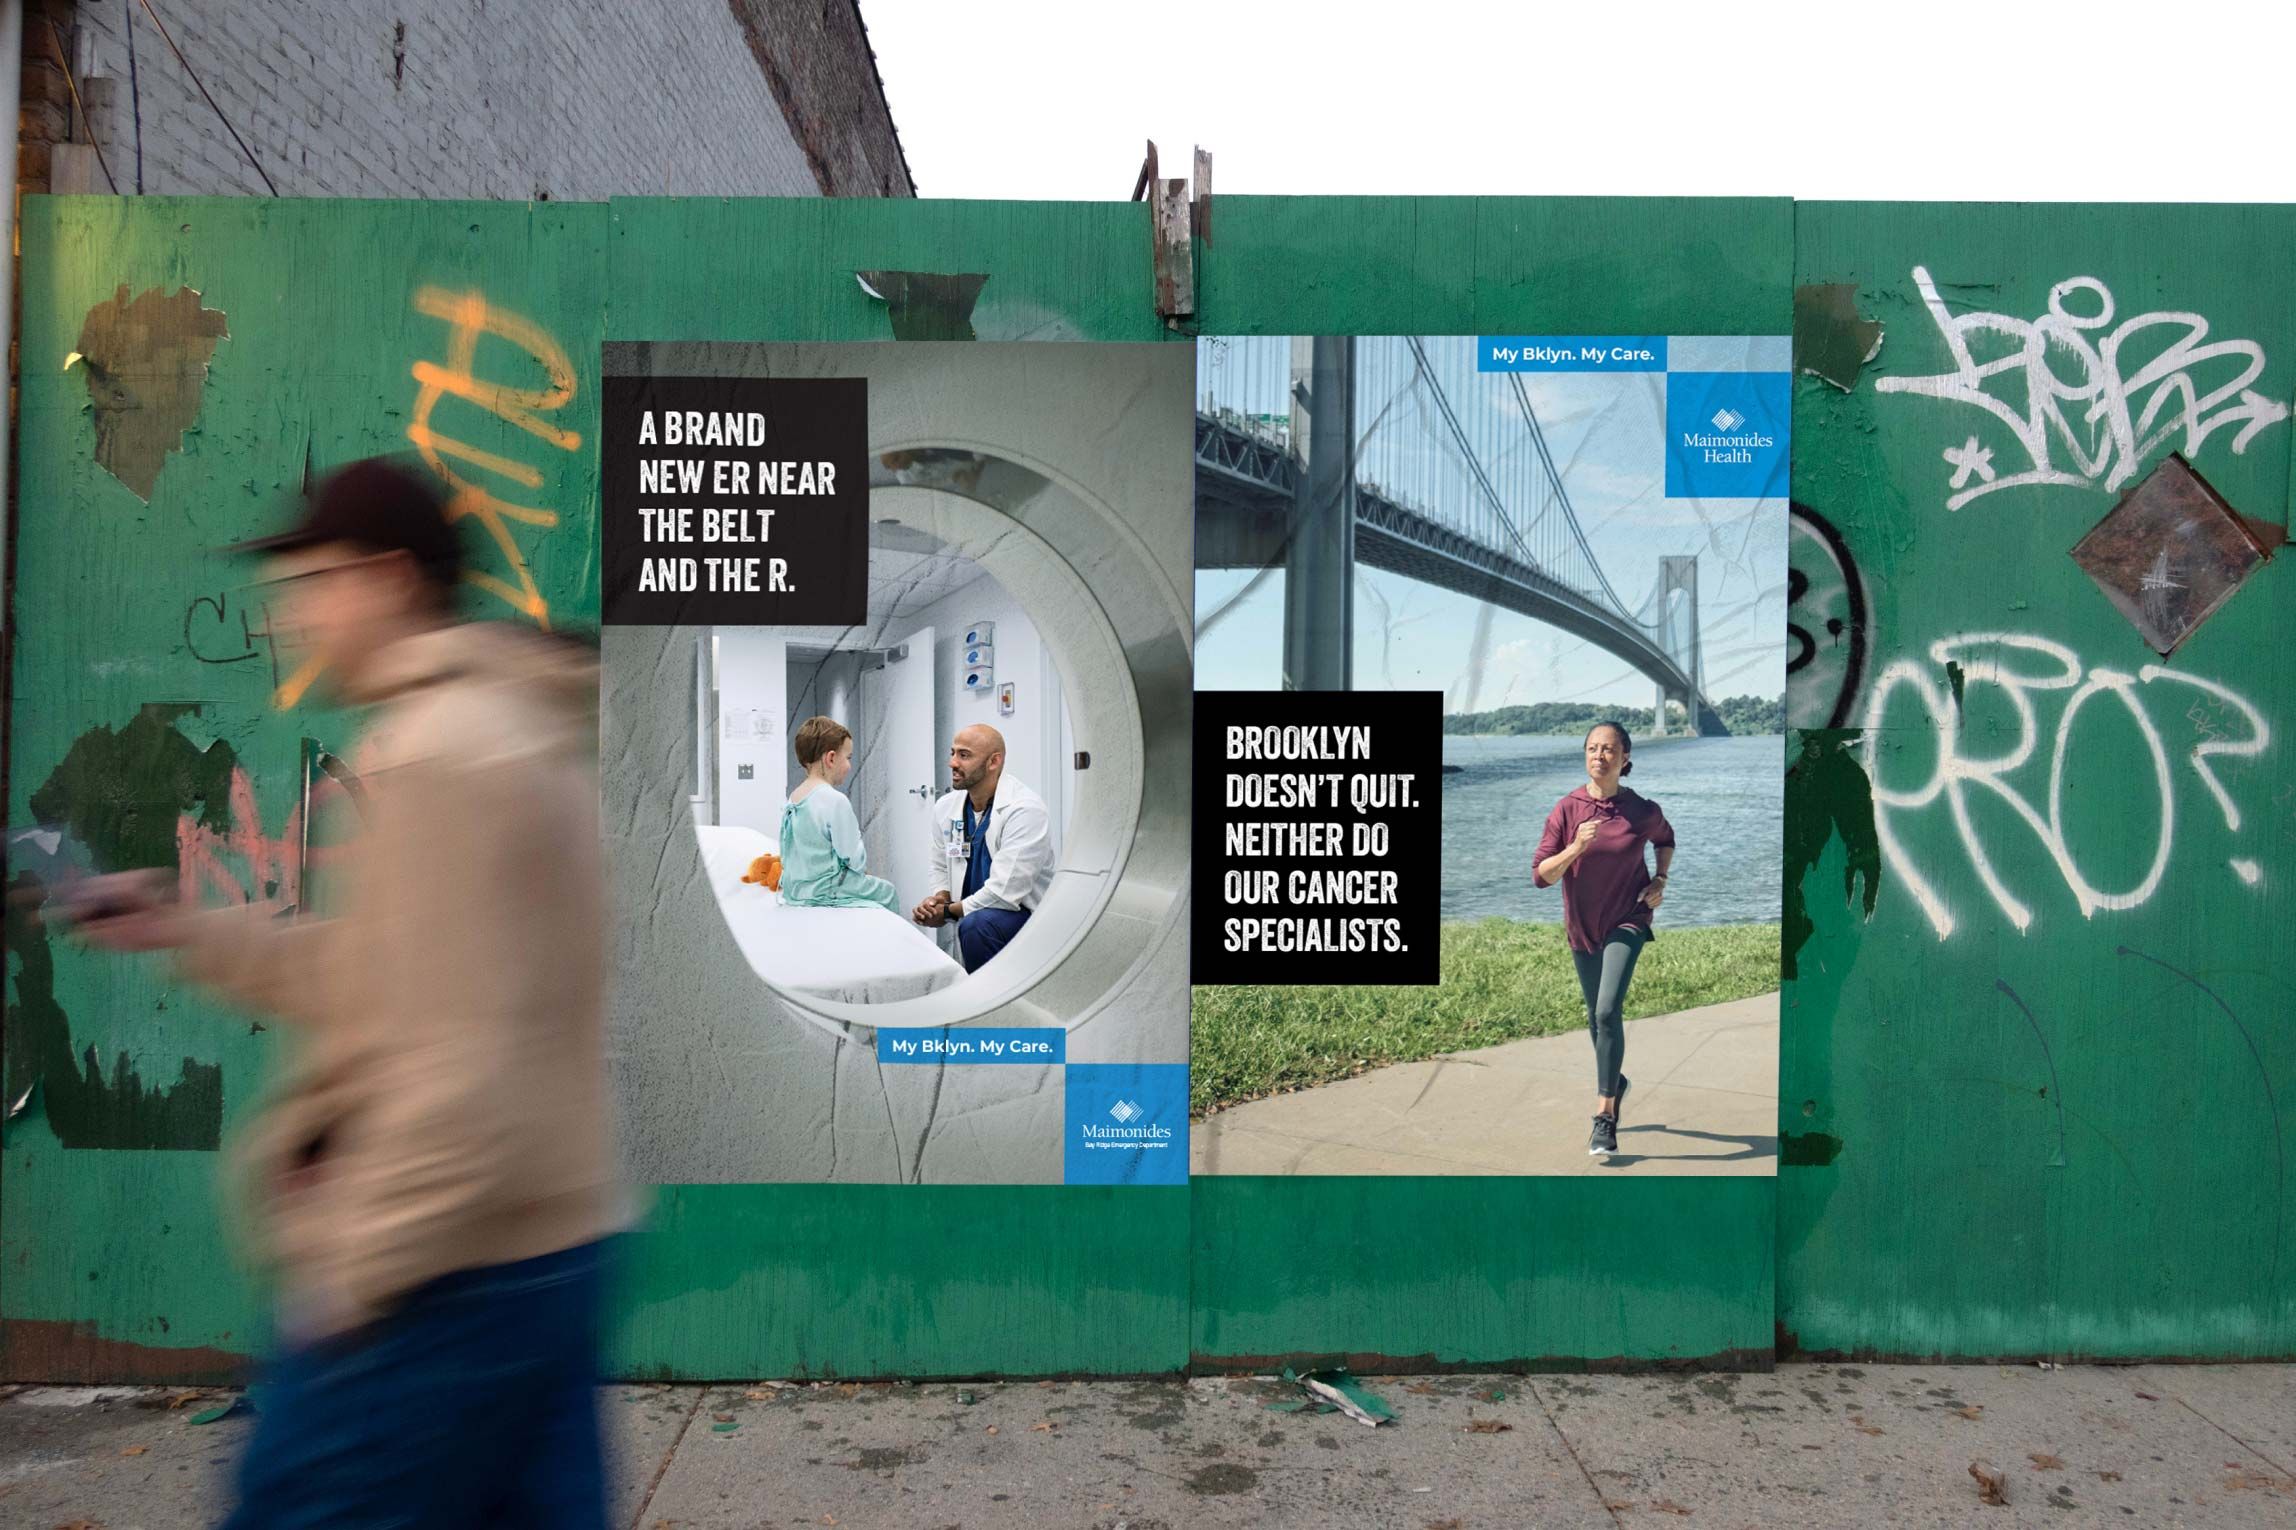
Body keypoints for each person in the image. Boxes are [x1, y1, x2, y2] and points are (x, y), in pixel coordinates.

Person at [64, 457, 624, 1528]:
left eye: (312, 581)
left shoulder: (440, 753)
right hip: (548, 1246)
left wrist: (355, 1275)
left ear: (387, 577)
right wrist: (182, 925)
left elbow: (466, 1066)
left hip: (448, 1278)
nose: (292, 615)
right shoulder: (509, 726)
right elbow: (391, 983)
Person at [1532, 721, 1676, 1160]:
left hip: (1628, 919)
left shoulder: (1641, 810)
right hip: (1582, 927)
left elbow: (1665, 839)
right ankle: (1617, 1080)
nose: (1600, 756)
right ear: (1585, 756)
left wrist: (1660, 879)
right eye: (1593, 749)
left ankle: (1605, 1116)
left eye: (1609, 749)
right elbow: (1540, 875)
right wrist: (1575, 848)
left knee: (1608, 1009)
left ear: (1625, 757)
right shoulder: (1566, 810)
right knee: (1596, 1022)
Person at [910, 723, 1053, 972]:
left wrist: (946, 913)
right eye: (952, 753)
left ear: (993, 762)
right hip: (975, 916)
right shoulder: (946, 807)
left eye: (964, 755)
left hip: (1022, 917)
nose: (952, 763)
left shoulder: (1024, 810)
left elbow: (1004, 894)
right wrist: (939, 898)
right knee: (973, 926)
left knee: (977, 925)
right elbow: (940, 863)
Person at [779, 716, 900, 913]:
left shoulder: (793, 798)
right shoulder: (834, 800)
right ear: (831, 758)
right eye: (848, 758)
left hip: (796, 891)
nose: (850, 766)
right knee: (888, 891)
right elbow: (853, 857)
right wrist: (862, 872)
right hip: (827, 890)